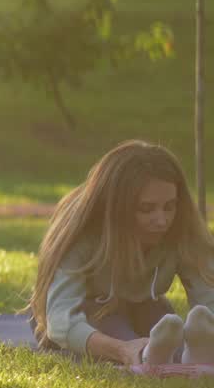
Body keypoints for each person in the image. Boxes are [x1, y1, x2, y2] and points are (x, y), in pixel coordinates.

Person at [30, 140, 214, 366]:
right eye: (147, 209)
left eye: (169, 206)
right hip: (87, 313)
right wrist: (122, 350)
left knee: (165, 324)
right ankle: (146, 356)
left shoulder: (181, 230)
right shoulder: (83, 234)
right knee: (119, 330)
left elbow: (207, 297)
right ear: (117, 209)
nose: (162, 220)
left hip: (142, 306)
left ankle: (189, 357)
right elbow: (59, 321)